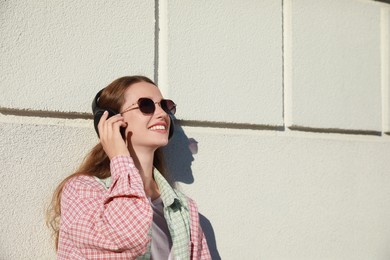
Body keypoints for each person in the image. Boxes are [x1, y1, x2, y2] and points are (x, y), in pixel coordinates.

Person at [47, 76, 211, 259]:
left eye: (165, 106)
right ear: (111, 120)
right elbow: (125, 240)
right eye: (146, 105)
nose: (162, 114)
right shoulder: (82, 190)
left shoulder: (183, 208)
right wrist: (119, 157)